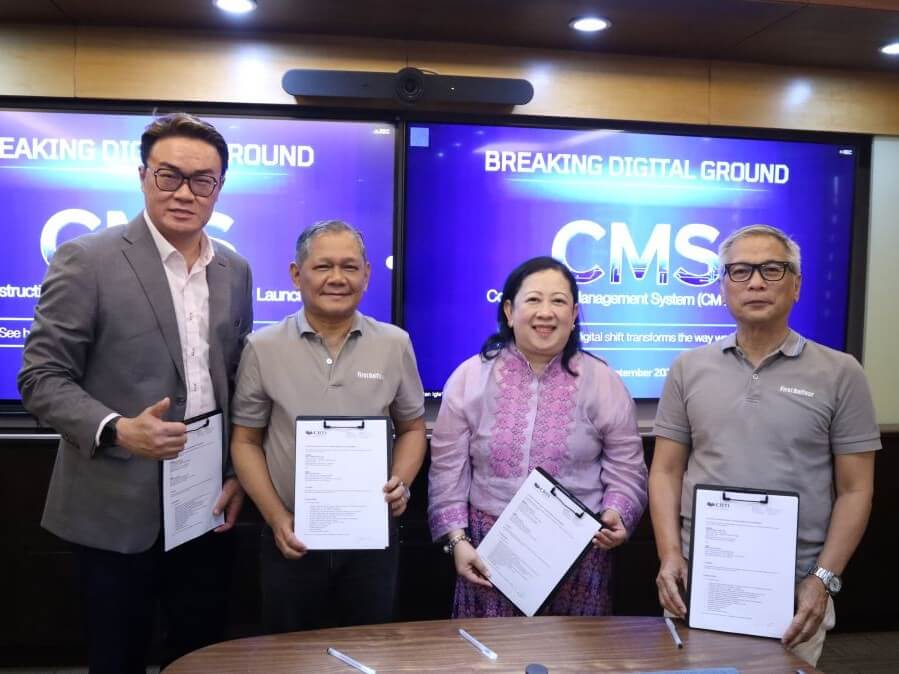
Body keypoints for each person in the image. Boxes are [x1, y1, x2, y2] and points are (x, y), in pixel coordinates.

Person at [18, 113, 253, 673]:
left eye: (203, 180)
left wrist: (235, 471)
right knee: (117, 657)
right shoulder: (88, 259)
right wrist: (119, 428)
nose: (185, 192)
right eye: (169, 175)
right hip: (114, 505)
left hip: (206, 504)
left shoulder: (235, 269)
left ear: (219, 188)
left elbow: (238, 374)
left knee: (200, 654)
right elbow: (40, 377)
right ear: (143, 175)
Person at [650, 224, 881, 666]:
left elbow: (856, 490)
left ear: (796, 285)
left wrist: (823, 580)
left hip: (796, 594)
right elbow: (665, 471)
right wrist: (668, 557)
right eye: (739, 271)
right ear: (722, 287)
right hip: (699, 585)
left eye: (772, 270)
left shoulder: (841, 372)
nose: (755, 282)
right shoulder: (687, 368)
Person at [230, 219, 427, 632]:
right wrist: (275, 517)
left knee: (369, 649)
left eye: (350, 267)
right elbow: (245, 441)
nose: (337, 278)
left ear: (368, 274)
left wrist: (402, 482)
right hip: (291, 537)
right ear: (296, 274)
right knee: (289, 656)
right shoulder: (263, 347)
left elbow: (411, 428)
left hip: (372, 538)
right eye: (323, 267)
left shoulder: (395, 344)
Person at [428, 256, 648, 617]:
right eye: (533, 300)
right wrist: (458, 541)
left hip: (579, 554)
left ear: (574, 314)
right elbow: (447, 472)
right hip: (489, 554)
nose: (546, 312)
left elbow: (627, 466)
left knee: (572, 663)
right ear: (510, 311)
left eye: (559, 301)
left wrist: (616, 514)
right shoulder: (469, 378)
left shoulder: (603, 381)